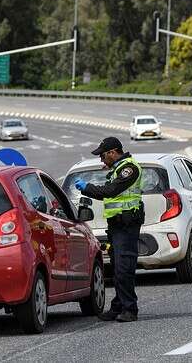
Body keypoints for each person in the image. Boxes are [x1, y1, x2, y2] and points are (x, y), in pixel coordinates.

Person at [75, 137, 144, 322]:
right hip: (117, 225)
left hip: (127, 226)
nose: (101, 160)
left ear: (113, 152)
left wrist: (87, 188)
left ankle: (130, 309)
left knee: (124, 267)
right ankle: (119, 305)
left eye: (103, 155)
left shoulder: (129, 168)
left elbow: (111, 191)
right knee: (116, 267)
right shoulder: (116, 170)